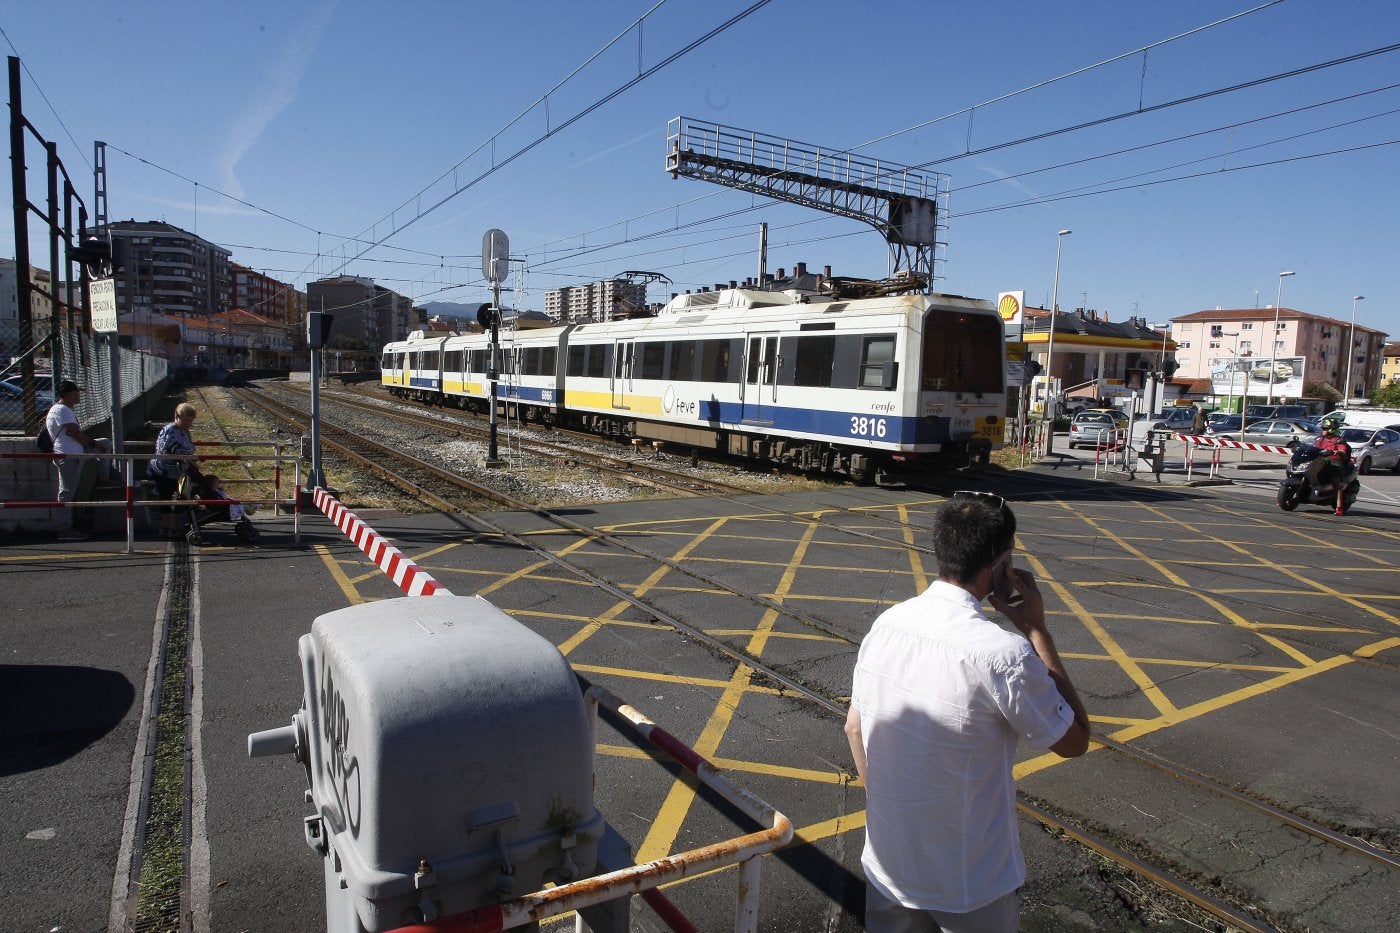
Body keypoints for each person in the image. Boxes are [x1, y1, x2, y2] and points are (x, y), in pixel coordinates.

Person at [845, 491, 1091, 933]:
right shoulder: (1004, 654)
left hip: (888, 865)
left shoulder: (888, 623)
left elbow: (854, 727)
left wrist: (896, 813)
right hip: (969, 883)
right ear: (1000, 565)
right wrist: (1036, 628)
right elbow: (1074, 741)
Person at [44, 379, 112, 541]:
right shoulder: (63, 410)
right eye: (76, 392)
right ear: (69, 394)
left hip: (75, 452)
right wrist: (93, 443)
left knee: (105, 443)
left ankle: (105, 476)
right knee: (67, 492)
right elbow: (76, 433)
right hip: (68, 455)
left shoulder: (61, 409)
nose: (78, 395)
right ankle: (64, 529)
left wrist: (94, 445)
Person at [148, 402, 201, 538]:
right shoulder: (171, 431)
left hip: (177, 471)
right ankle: (169, 526)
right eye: (185, 420)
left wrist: (190, 461)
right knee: (168, 497)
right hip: (164, 470)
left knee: (176, 496)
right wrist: (189, 459)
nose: (188, 423)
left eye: (190, 420)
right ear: (177, 417)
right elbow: (175, 450)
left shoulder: (182, 431)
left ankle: (170, 525)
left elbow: (186, 450)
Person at [1314, 416, 1351, 516]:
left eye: (1325, 428)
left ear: (1331, 429)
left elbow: (1344, 453)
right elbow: (1313, 448)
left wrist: (1336, 451)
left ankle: (1339, 507)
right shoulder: (1320, 439)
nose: (1323, 430)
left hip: (1334, 461)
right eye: (1322, 428)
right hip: (1321, 460)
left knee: (1336, 481)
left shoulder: (1339, 440)